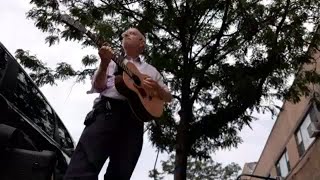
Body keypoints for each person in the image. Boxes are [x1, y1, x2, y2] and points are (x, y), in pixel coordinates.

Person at [64, 27, 172, 180]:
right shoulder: (111, 61)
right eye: (125, 33)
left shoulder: (152, 71)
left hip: (134, 122)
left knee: (121, 173)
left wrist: (157, 89)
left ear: (142, 43)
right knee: (82, 169)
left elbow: (168, 97)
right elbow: (99, 86)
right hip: (106, 113)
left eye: (132, 33)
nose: (126, 34)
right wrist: (103, 63)